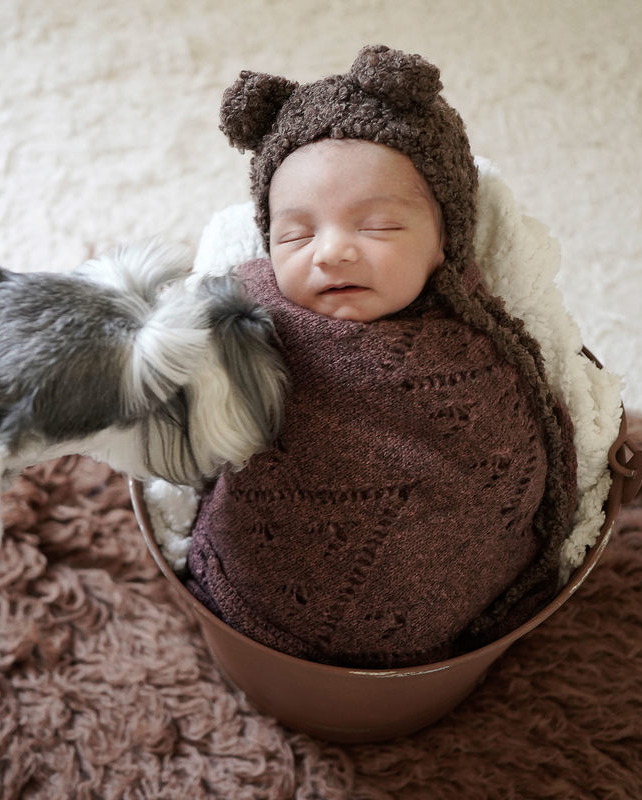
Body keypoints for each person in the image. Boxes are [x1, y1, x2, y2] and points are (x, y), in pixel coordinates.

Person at [184, 45, 579, 669]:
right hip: (249, 588)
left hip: (429, 625)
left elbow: (509, 471)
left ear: (445, 240)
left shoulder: (478, 350)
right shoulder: (247, 314)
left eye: (379, 227)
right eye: (296, 234)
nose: (331, 252)